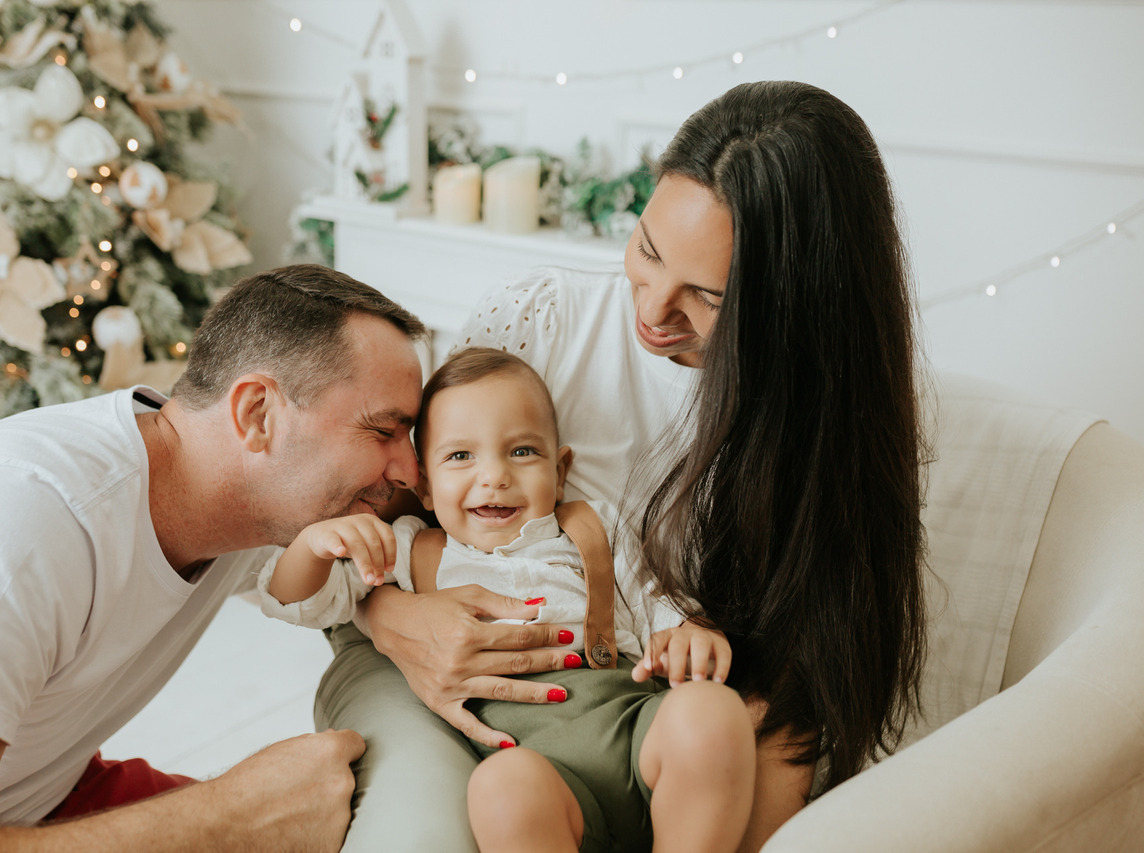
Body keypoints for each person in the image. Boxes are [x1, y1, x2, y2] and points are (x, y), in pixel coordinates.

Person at [317, 80, 927, 852]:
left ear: (791, 309)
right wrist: (395, 620)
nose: (652, 308)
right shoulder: (539, 323)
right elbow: (368, 525)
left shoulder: (816, 440)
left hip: (647, 733)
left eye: (707, 296)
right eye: (646, 249)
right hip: (451, 693)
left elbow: (789, 715)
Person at [0, 264, 428, 852]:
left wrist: (394, 613)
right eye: (385, 431)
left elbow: (434, 517)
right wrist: (226, 822)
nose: (408, 470)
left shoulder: (252, 488)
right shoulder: (14, 535)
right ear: (258, 415)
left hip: (38, 790)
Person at [263, 346, 751, 851]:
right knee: (501, 788)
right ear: (425, 486)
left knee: (710, 710)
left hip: (633, 733)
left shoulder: (590, 525)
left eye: (521, 452)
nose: (494, 476)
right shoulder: (411, 552)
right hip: (545, 778)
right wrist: (313, 545)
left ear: (560, 472)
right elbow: (298, 604)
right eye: (460, 456)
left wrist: (687, 629)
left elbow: (654, 602)